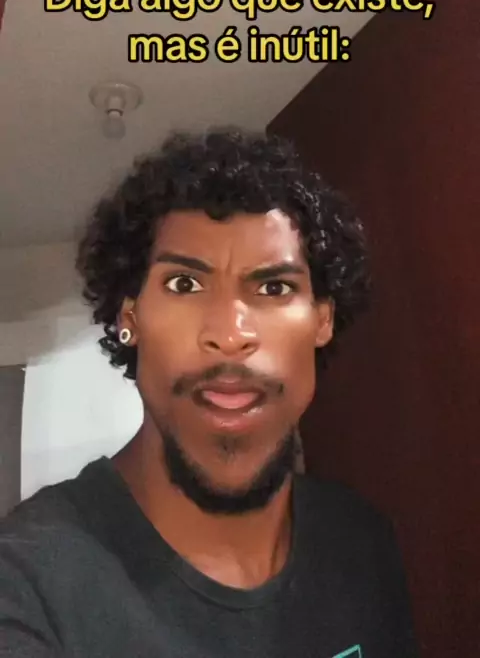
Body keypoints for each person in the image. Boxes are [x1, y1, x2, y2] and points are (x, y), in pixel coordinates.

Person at [0, 128, 418, 657]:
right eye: (184, 284)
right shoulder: (27, 584)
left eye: (274, 286)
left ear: (322, 320)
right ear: (130, 318)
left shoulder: (361, 541)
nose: (230, 332)